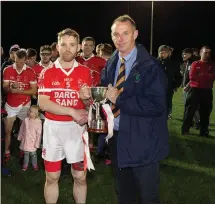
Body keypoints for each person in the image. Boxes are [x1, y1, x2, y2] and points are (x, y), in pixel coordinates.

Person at [101, 15, 169, 204]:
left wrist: (119, 99)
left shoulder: (151, 66)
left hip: (143, 142)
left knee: (148, 197)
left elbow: (156, 106)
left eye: (125, 33)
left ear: (135, 34)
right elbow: (105, 90)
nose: (120, 39)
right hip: (118, 138)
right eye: (116, 34)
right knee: (125, 195)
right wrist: (92, 95)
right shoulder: (112, 61)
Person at [38, 28, 94, 204]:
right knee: (52, 177)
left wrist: (86, 100)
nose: (68, 48)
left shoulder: (86, 72)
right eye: (63, 44)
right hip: (53, 129)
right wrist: (71, 111)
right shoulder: (47, 72)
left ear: (78, 47)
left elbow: (89, 105)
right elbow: (43, 103)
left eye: (72, 45)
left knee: (80, 176)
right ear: (58, 47)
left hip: (76, 130)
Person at [3, 49, 37, 163]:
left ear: (25, 60)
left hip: (24, 105)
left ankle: (23, 151)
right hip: (10, 105)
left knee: (24, 130)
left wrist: (19, 91)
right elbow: (5, 87)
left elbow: (33, 91)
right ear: (14, 59)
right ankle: (6, 152)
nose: (19, 65)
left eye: (21, 62)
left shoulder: (30, 71)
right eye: (17, 62)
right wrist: (11, 89)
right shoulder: (7, 70)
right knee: (8, 131)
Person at [182, 46, 215, 136]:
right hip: (195, 90)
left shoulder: (212, 64)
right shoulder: (195, 64)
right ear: (200, 53)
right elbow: (192, 76)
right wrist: (206, 76)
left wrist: (201, 75)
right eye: (205, 52)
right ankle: (185, 130)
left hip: (207, 91)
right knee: (189, 111)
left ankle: (204, 131)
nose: (207, 54)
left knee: (205, 112)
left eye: (209, 53)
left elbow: (212, 77)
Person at [17, 105, 42, 171]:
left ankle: (35, 165)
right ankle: (25, 165)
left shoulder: (38, 122)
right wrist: (20, 136)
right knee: (26, 153)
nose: (28, 112)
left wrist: (37, 144)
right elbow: (22, 128)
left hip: (33, 141)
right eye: (29, 110)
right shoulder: (26, 120)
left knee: (33, 154)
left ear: (35, 114)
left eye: (30, 111)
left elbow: (39, 134)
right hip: (25, 140)